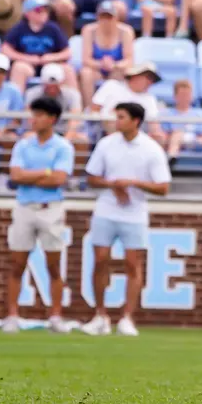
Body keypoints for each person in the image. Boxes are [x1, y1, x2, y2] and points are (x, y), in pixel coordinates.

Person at [81, 102, 172, 337]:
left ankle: (127, 317)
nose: (116, 121)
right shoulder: (106, 144)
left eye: (121, 117)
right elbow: (91, 177)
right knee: (100, 260)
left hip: (135, 213)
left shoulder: (151, 149)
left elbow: (163, 187)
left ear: (135, 121)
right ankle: (100, 315)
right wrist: (113, 184)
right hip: (105, 210)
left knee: (133, 264)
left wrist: (132, 183)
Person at [2, 96, 75, 335]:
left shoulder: (64, 147)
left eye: (39, 115)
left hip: (50, 208)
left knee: (53, 265)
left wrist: (31, 175)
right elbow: (15, 176)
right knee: (17, 263)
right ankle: (12, 315)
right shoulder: (23, 145)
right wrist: (44, 172)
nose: (34, 120)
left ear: (52, 119)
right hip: (25, 207)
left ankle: (55, 316)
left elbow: (59, 179)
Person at [1, 0, 75, 92]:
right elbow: (5, 49)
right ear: (27, 13)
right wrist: (26, 58)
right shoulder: (20, 28)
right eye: (38, 10)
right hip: (28, 66)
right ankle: (17, 105)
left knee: (67, 69)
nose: (43, 13)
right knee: (18, 68)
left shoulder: (53, 28)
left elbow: (67, 52)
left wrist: (51, 58)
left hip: (50, 65)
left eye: (46, 10)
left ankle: (75, 105)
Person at [79, 0, 136, 107]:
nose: (106, 21)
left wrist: (113, 65)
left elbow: (129, 60)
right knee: (86, 73)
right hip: (96, 70)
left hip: (116, 70)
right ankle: (89, 108)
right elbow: (86, 59)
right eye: (103, 17)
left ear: (116, 18)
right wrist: (101, 64)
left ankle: (117, 107)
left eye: (109, 17)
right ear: (97, 17)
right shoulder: (89, 31)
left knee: (127, 72)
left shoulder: (126, 32)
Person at [90, 62, 163, 141]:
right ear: (135, 75)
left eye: (153, 80)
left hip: (136, 139)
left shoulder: (150, 99)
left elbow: (154, 125)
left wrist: (157, 134)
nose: (150, 82)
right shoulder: (111, 85)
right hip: (103, 132)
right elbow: (94, 109)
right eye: (148, 77)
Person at [25, 62, 88, 144]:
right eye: (49, 86)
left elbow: (74, 120)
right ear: (43, 83)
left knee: (82, 139)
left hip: (64, 131)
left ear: (62, 82)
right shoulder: (32, 94)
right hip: (40, 131)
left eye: (55, 85)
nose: (52, 89)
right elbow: (30, 119)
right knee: (27, 136)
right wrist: (40, 136)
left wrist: (65, 141)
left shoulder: (73, 95)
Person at [160, 79, 202, 159]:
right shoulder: (165, 114)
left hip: (197, 146)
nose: (185, 98)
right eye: (182, 95)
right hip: (174, 144)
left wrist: (186, 140)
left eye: (187, 95)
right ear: (175, 96)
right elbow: (164, 137)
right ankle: (172, 158)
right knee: (177, 135)